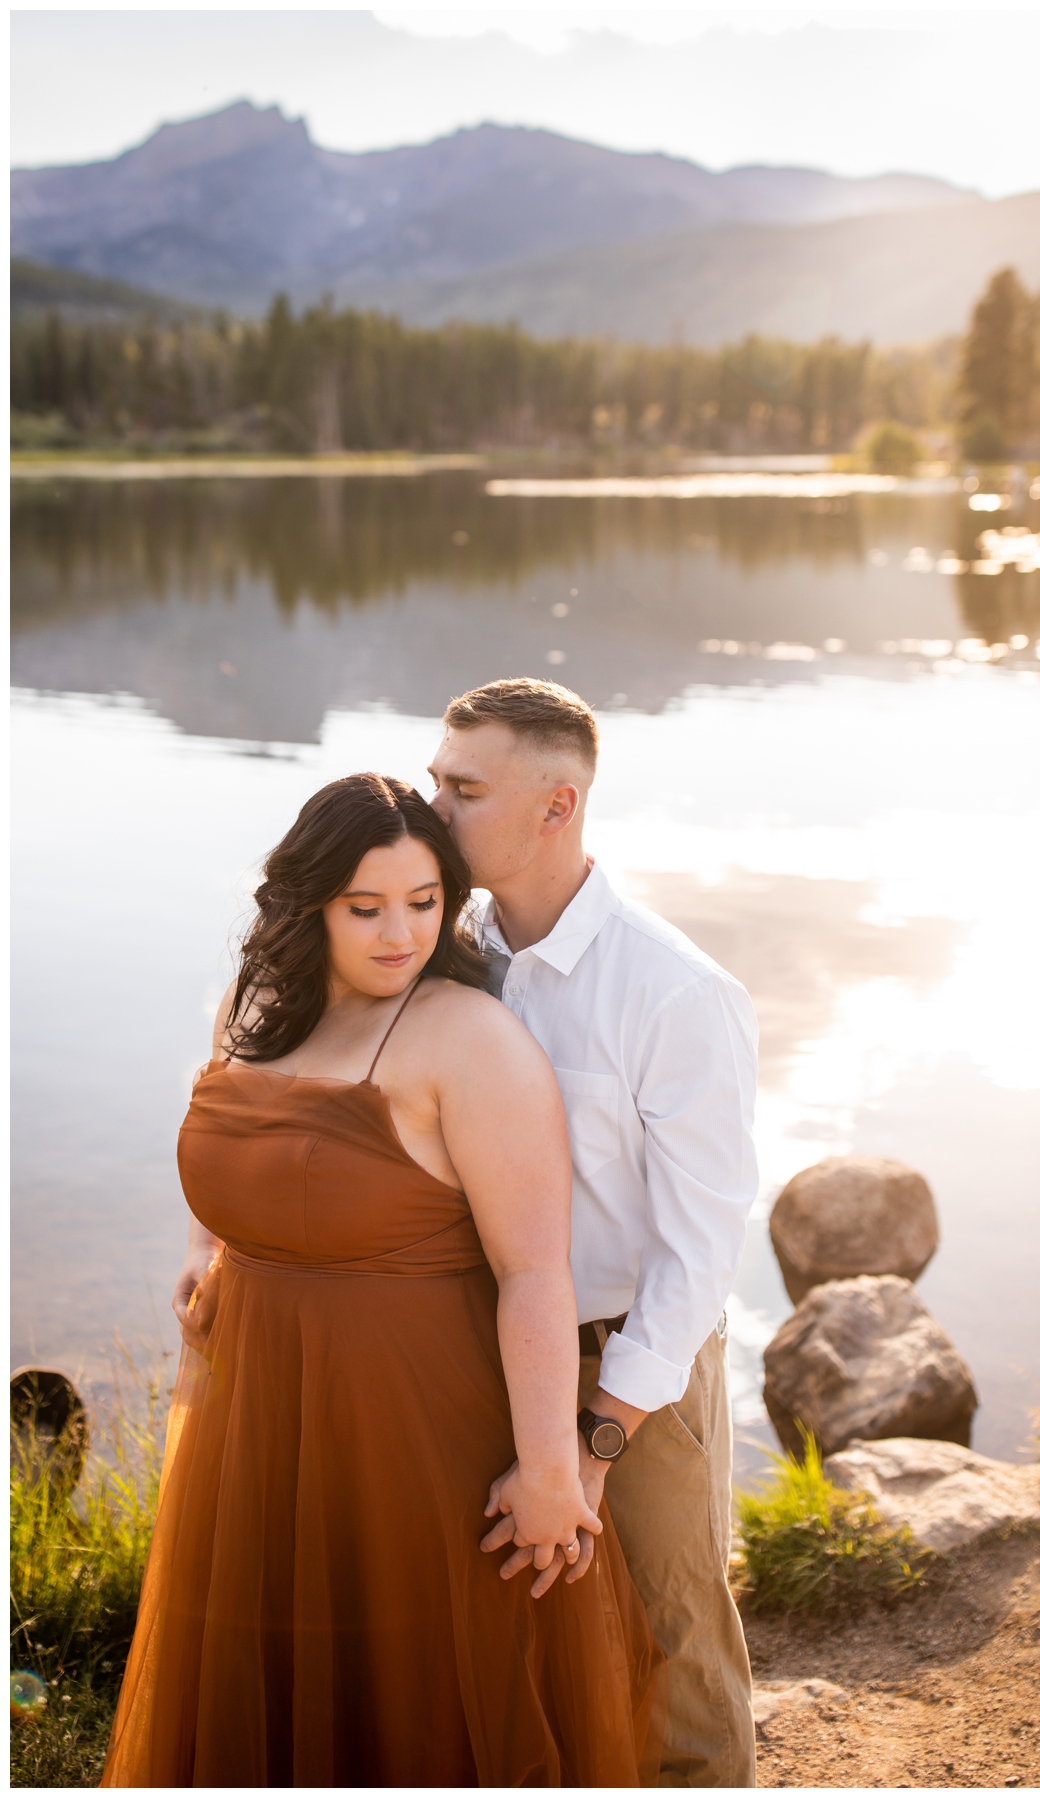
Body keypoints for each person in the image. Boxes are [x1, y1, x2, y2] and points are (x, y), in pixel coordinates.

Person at [113, 774, 659, 1785]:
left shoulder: (468, 1039)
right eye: (366, 908)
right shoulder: (256, 1001)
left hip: (413, 1422)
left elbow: (535, 1270)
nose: (399, 934)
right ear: (306, 901)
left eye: (425, 902)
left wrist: (550, 1467)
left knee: (414, 1692)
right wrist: (207, 1245)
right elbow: (232, 1142)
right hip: (258, 1407)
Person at [427, 678, 762, 1788]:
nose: (435, 810)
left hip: (636, 1369)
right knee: (513, 1634)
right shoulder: (441, 955)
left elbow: (701, 1249)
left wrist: (599, 1435)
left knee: (674, 1642)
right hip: (478, 1353)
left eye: (463, 789)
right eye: (435, 781)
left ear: (555, 806)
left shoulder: (674, 992)